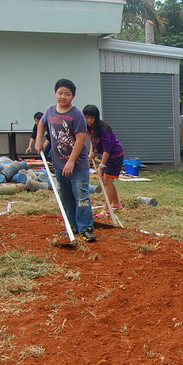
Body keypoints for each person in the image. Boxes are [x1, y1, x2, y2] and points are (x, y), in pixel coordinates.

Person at [34, 79, 96, 243]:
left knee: (81, 196)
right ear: (55, 93)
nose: (63, 97)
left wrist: (71, 162)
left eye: (67, 94)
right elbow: (42, 124)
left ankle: (85, 228)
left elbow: (81, 139)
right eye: (60, 93)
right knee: (66, 195)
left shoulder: (77, 115)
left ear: (73, 96)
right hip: (58, 163)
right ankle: (72, 227)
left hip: (77, 165)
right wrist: (38, 141)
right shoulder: (50, 110)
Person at [83, 104, 125, 215]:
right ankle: (117, 205)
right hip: (106, 155)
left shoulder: (103, 129)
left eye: (92, 118)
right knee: (108, 181)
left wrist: (101, 166)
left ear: (97, 117)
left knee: (107, 181)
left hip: (115, 155)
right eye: (87, 117)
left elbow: (107, 150)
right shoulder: (89, 128)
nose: (89, 120)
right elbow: (92, 140)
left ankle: (107, 210)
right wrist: (91, 151)